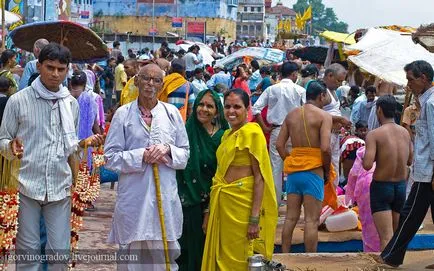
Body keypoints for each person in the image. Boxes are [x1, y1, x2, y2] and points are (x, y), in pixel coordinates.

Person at [0, 43, 104, 270]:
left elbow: (70, 147)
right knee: (28, 253)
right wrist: (11, 146)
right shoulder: (18, 101)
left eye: (60, 69)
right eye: (50, 67)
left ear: (67, 70)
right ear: (39, 66)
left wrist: (84, 144)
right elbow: (2, 141)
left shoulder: (71, 104)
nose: (55, 74)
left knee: (59, 252)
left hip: (60, 185)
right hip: (26, 183)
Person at [104, 64, 189, 270]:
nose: (150, 84)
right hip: (135, 197)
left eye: (156, 80)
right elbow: (111, 157)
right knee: (131, 257)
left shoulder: (172, 114)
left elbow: (184, 154)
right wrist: (141, 155)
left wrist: (167, 150)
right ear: (136, 81)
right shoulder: (123, 114)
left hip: (164, 198)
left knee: (163, 258)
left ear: (162, 85)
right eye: (146, 78)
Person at [201, 88, 277, 271]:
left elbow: (260, 178)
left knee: (241, 258)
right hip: (223, 204)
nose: (231, 111)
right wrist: (209, 211)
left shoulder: (252, 133)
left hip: (242, 207)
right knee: (221, 256)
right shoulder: (226, 135)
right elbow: (219, 175)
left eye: (237, 106)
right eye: (227, 106)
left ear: (247, 109)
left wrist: (254, 219)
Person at [376, 61, 434, 268]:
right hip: (427, 169)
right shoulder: (425, 101)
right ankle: (391, 255)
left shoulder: (430, 103)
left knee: (409, 214)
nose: (408, 84)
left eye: (411, 79)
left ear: (424, 78)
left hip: (428, 172)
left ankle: (391, 256)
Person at [276, 80, 333, 253]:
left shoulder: (291, 115)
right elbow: (325, 148)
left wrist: (292, 159)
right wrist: (326, 170)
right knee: (311, 220)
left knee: (291, 218)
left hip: (294, 172)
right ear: (321, 95)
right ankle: (310, 260)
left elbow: (279, 145)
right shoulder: (324, 116)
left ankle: (284, 256)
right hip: (313, 171)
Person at [176, 89, 229, 271]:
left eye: (209, 106)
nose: (204, 109)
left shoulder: (223, 137)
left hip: (214, 202)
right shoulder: (184, 133)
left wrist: (208, 208)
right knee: (185, 250)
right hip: (186, 201)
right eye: (201, 104)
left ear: (217, 111)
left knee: (208, 250)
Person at [362, 95, 412, 250]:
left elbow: (367, 165)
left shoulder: (375, 134)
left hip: (382, 187)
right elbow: (409, 161)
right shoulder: (405, 133)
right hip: (400, 187)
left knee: (385, 237)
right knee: (395, 235)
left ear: (379, 110)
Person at [252, 62, 305, 204]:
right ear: (294, 74)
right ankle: (296, 201)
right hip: (296, 131)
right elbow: (307, 111)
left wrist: (264, 127)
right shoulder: (300, 90)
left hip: (276, 130)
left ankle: (274, 203)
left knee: (276, 168)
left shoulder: (272, 89)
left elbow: (255, 108)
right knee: (297, 166)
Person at [345, 146, 381, 252]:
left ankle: (371, 250)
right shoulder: (388, 148)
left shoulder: (362, 152)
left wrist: (351, 200)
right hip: (385, 184)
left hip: (366, 187)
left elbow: (354, 174)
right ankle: (386, 252)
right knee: (386, 224)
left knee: (368, 222)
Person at [322, 63, 352, 187]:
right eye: (338, 80)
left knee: (334, 168)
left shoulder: (333, 91)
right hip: (325, 134)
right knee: (327, 167)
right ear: (329, 76)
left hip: (334, 134)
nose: (340, 84)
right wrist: (339, 118)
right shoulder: (322, 91)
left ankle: (332, 199)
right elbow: (313, 114)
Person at [339, 121, 367, 187]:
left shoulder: (362, 142)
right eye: (361, 130)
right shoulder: (357, 143)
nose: (363, 133)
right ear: (356, 130)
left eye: (365, 130)